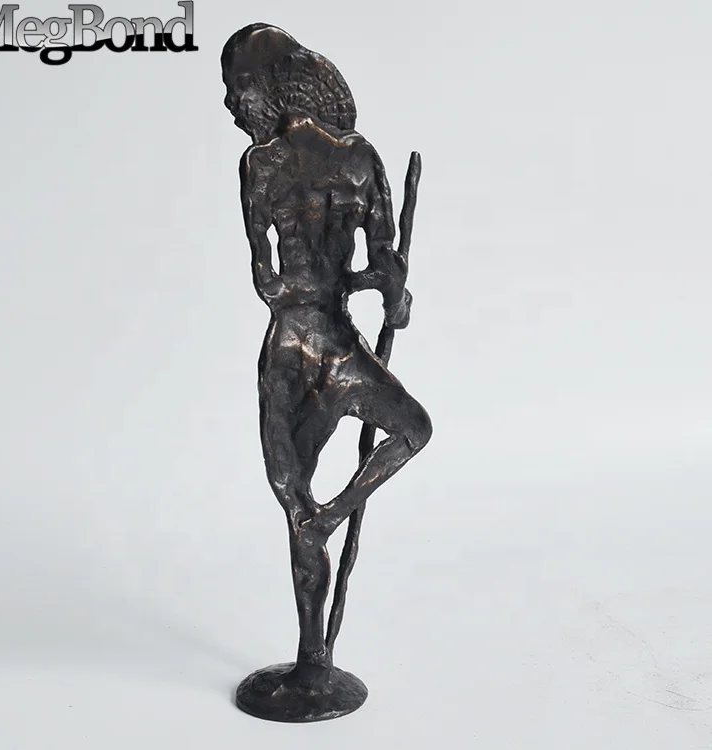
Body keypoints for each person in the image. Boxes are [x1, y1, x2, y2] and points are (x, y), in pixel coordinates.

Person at [222, 24, 432, 685]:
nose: (231, 106)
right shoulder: (359, 159)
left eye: (236, 90)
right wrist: (387, 290)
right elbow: (386, 278)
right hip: (336, 346)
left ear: (270, 87)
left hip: (291, 349)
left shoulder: (261, 165)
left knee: (297, 504)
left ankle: (321, 531)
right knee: (409, 432)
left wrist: (360, 286)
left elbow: (268, 282)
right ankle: (313, 652)